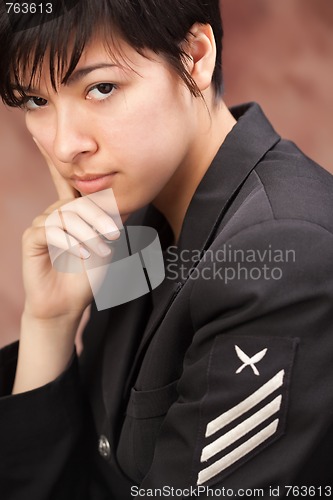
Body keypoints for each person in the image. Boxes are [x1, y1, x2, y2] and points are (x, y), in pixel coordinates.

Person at [0, 1, 333, 498]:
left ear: (196, 57)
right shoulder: (137, 224)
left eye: (102, 88)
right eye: (34, 101)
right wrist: (49, 322)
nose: (65, 144)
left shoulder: (282, 253)